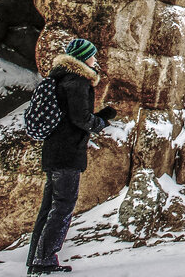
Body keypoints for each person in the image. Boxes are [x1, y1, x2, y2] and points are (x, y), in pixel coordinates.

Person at [27, 38, 117, 275]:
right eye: (92, 55)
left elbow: (71, 115)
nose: (95, 60)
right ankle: (45, 261)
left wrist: (99, 116)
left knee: (50, 207)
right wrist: (99, 122)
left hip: (54, 151)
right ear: (82, 58)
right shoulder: (77, 82)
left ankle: (36, 260)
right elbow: (79, 119)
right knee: (63, 206)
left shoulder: (60, 79)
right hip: (67, 153)